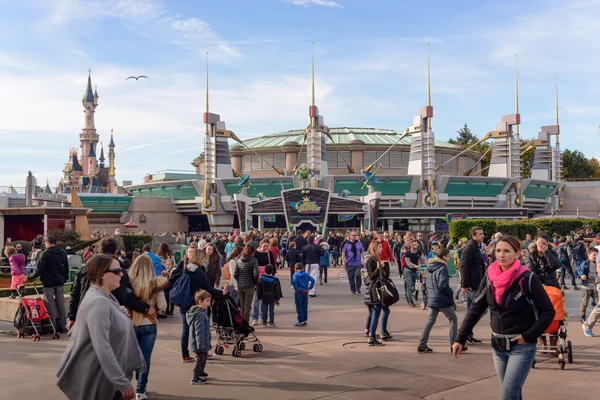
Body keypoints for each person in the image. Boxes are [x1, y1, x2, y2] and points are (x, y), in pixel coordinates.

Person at [452, 236, 555, 400]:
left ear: (517, 254)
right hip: (498, 346)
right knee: (512, 393)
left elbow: (548, 312)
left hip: (522, 347)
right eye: (498, 250)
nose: (501, 255)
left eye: (507, 251)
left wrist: (528, 336)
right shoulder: (489, 277)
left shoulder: (528, 278)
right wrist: (460, 338)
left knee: (508, 394)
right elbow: (476, 308)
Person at [57, 254, 145, 400]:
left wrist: (118, 313)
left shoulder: (107, 298)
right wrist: (121, 382)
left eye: (121, 270)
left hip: (105, 377)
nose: (121, 274)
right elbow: (102, 347)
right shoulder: (99, 303)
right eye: (116, 271)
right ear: (102, 275)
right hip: (99, 380)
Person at [169, 247, 223, 363]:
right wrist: (220, 292)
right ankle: (202, 353)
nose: (205, 260)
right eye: (204, 258)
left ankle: (185, 355)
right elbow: (206, 287)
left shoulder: (187, 267)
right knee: (200, 330)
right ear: (199, 258)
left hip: (184, 302)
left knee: (186, 330)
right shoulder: (198, 271)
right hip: (194, 303)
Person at [127, 255, 167, 400]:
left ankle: (128, 385)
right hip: (149, 324)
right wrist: (155, 307)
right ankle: (140, 390)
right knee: (145, 358)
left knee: (133, 356)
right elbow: (163, 306)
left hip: (131, 323)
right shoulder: (155, 284)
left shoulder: (129, 283)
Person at [418, 248, 466, 354]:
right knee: (453, 319)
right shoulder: (442, 268)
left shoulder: (430, 266)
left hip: (432, 298)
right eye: (448, 255)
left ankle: (422, 344)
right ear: (444, 257)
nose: (449, 257)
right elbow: (443, 285)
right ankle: (453, 344)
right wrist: (450, 292)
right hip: (441, 299)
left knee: (430, 321)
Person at [26, 235, 69, 333]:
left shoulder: (45, 254)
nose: (45, 245)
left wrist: (29, 277)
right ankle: (63, 326)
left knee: (49, 305)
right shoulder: (63, 253)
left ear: (48, 243)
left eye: (45, 243)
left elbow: (39, 270)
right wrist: (64, 279)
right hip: (60, 282)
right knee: (61, 304)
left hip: (48, 283)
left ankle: (51, 327)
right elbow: (66, 267)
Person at [459, 226, 487, 343]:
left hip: (477, 283)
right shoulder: (470, 247)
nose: (482, 235)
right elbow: (463, 266)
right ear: (474, 236)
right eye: (479, 234)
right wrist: (464, 285)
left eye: (482, 233)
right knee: (481, 308)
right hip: (471, 285)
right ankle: (463, 330)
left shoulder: (477, 247)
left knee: (471, 310)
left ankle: (467, 333)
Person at [364, 240, 392, 346]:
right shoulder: (371, 260)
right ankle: (372, 337)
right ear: (374, 248)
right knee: (376, 312)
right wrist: (379, 266)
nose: (381, 248)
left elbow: (383, 275)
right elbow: (371, 276)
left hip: (378, 288)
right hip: (375, 290)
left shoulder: (376, 259)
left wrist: (384, 267)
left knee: (384, 310)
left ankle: (382, 333)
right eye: (379, 247)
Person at [187, 290, 212, 385]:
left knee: (203, 357)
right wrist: (200, 343)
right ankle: (195, 376)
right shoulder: (200, 314)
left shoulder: (201, 312)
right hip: (199, 342)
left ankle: (200, 372)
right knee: (200, 359)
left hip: (200, 341)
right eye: (207, 301)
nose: (209, 303)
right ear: (200, 301)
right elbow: (199, 330)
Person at [234, 245, 259, 323]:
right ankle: (246, 323)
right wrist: (255, 283)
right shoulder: (253, 260)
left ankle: (241, 322)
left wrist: (239, 281)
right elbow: (256, 273)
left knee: (242, 305)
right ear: (252, 252)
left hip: (240, 285)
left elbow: (235, 274)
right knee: (248, 305)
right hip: (249, 285)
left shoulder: (239, 260)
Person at [578, 247, 599, 324]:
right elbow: (579, 270)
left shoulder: (597, 264)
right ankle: (582, 317)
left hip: (594, 287)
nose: (595, 257)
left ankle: (597, 316)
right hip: (586, 286)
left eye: (597, 255)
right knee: (585, 302)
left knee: (598, 302)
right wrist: (582, 275)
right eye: (594, 255)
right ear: (588, 255)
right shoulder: (585, 263)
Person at [404, 239, 426, 307]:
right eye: (414, 244)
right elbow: (408, 263)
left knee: (416, 286)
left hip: (416, 271)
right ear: (411, 245)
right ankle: (410, 300)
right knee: (409, 285)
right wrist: (415, 266)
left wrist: (428, 265)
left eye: (417, 244)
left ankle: (408, 293)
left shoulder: (419, 252)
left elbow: (424, 260)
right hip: (408, 271)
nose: (416, 245)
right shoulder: (407, 253)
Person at [341, 231, 365, 295]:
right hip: (349, 263)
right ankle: (353, 289)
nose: (354, 236)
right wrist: (343, 261)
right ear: (350, 236)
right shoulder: (346, 244)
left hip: (358, 263)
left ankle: (358, 288)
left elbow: (362, 252)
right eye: (353, 235)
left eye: (355, 235)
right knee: (351, 277)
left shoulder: (359, 243)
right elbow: (343, 253)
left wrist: (364, 260)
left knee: (358, 275)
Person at [292, 262, 315, 327]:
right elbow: (312, 280)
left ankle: (300, 320)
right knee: (305, 306)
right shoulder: (306, 274)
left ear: (295, 269)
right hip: (305, 291)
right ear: (302, 268)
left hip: (299, 291)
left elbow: (294, 282)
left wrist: (296, 289)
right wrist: (310, 288)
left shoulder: (295, 275)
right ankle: (305, 320)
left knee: (299, 306)